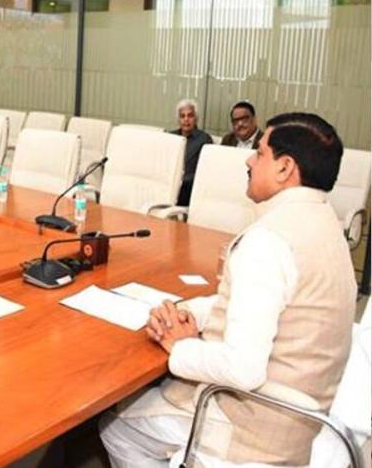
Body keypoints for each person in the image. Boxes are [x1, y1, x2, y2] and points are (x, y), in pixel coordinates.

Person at [100, 112, 356, 468]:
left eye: (260, 153)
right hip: (301, 418)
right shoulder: (326, 225)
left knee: (116, 426)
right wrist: (190, 312)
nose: (249, 161)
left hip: (251, 425)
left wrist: (179, 345)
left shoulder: (269, 241)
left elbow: (243, 369)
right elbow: (265, 303)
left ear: (284, 168)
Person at [169, 99, 212, 206]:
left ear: (196, 118)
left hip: (189, 188)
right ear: (178, 119)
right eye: (182, 116)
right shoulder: (170, 137)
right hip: (168, 184)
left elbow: (205, 171)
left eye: (190, 115)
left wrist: (182, 180)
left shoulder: (204, 139)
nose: (186, 119)